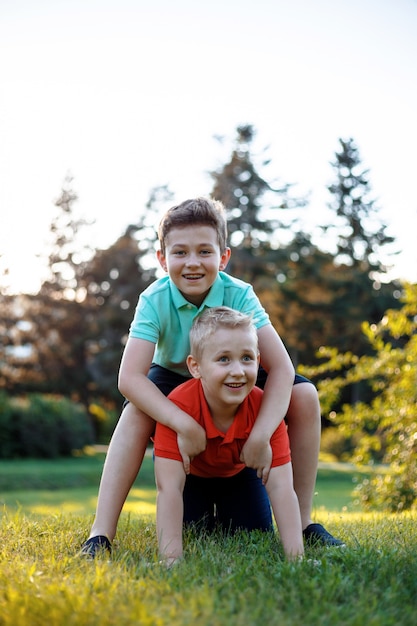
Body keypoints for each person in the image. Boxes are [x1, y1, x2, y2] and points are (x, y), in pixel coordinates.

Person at [81, 197, 344, 557]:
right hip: (176, 377)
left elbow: (281, 368)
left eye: (204, 251)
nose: (192, 263)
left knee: (304, 395)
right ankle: (100, 534)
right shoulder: (154, 298)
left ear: (223, 257)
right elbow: (129, 378)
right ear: (163, 259)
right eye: (180, 253)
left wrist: (261, 435)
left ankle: (302, 523)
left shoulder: (239, 294)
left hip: (234, 374)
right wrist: (184, 424)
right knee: (138, 408)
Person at [154, 306, 304, 565]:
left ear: (258, 360)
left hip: (239, 476)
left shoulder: (266, 409)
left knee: (252, 531)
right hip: (191, 480)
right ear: (196, 366)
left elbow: (281, 487)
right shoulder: (178, 406)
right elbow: (169, 489)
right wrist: (170, 559)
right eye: (224, 359)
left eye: (247, 358)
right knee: (195, 530)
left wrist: (296, 559)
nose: (238, 370)